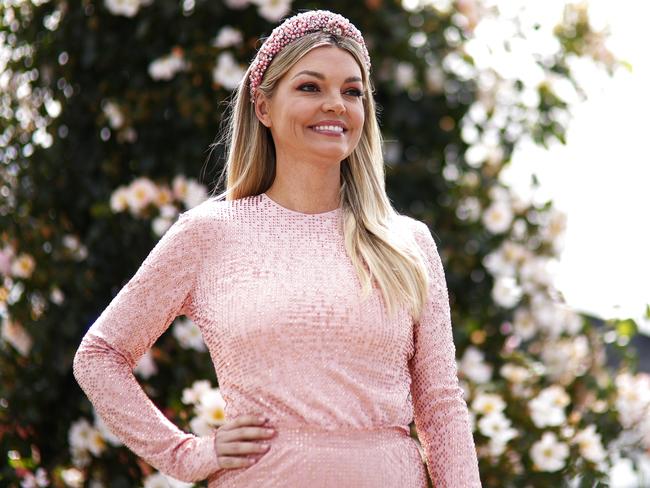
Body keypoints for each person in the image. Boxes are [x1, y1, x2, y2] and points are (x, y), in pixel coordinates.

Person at [73, 9, 482, 488]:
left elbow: (439, 405)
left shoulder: (407, 242)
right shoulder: (209, 233)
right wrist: (186, 454)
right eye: (310, 87)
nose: (335, 104)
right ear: (263, 107)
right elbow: (99, 355)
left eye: (352, 91)